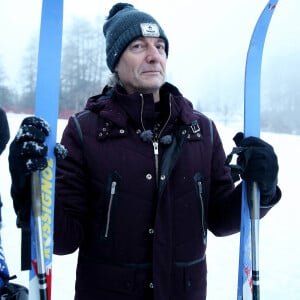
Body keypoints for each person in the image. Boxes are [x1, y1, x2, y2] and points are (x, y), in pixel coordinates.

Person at [8, 3, 281, 300]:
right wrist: (28, 189)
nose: (154, 55)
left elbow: (219, 218)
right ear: (116, 62)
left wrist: (261, 189)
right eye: (138, 46)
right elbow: (64, 238)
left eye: (160, 46)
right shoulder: (85, 131)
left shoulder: (201, 130)